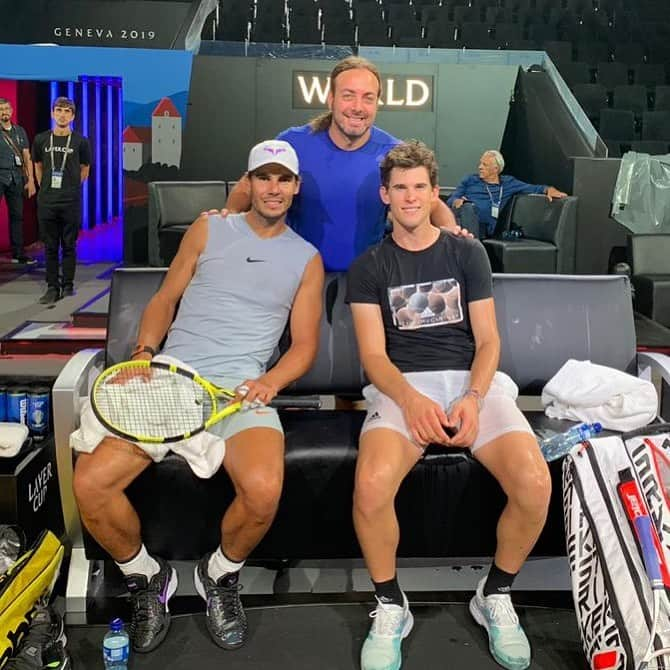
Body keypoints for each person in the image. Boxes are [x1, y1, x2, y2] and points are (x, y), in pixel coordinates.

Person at [70, 140, 324, 654]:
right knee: (91, 485)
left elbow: (304, 348)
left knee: (264, 489)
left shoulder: (307, 259)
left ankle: (219, 575)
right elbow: (164, 298)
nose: (273, 187)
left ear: (295, 187)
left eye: (283, 179)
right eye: (263, 177)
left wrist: (270, 381)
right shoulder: (208, 228)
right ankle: (146, 578)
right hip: (171, 383)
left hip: (239, 396)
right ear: (247, 182)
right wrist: (143, 352)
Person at [346, 141, 551, 670]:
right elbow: (373, 355)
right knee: (369, 487)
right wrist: (411, 400)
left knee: (534, 483)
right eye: (400, 188)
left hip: (471, 383)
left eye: (420, 187)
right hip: (400, 387)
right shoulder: (368, 266)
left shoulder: (467, 252)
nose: (410, 197)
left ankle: (495, 594)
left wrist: (474, 398)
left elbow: (488, 342)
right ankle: (391, 604)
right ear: (384, 194)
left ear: (433, 192)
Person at [227, 56, 463, 272]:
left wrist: (451, 236)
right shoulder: (292, 143)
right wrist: (225, 224)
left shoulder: (394, 154)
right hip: (296, 277)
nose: (358, 107)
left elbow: (429, 203)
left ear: (377, 103)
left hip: (366, 282)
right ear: (331, 99)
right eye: (348, 95)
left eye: (368, 98)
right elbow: (247, 188)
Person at [31, 97, 91, 304]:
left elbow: (85, 168)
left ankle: (68, 284)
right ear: (52, 113)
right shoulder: (41, 139)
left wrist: (73, 187)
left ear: (73, 116)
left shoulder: (80, 141)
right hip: (47, 200)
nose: (62, 114)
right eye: (59, 110)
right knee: (49, 245)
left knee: (69, 244)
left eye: (67, 111)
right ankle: (51, 286)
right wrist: (43, 186)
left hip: (70, 201)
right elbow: (37, 164)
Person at [447, 149, 567, 239]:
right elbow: (452, 199)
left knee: (469, 212)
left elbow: (534, 188)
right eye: (480, 163)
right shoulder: (470, 180)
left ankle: (470, 250)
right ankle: (472, 250)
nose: (480, 167)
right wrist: (456, 201)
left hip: (484, 227)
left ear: (496, 169)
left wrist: (549, 189)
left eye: (484, 165)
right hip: (461, 218)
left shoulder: (508, 183)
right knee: (468, 208)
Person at [0, 98, 36, 265]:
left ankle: (18, 253)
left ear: (12, 111)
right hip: (1, 175)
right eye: (1, 109)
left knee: (17, 216)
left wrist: (30, 180)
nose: (4, 112)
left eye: (6, 108)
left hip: (17, 177)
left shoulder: (19, 131)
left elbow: (27, 156)